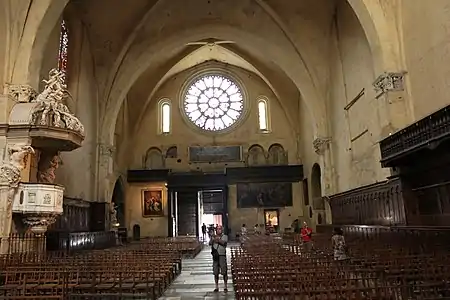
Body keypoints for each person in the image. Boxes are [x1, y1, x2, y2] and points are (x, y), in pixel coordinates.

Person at [209, 226, 228, 293]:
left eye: (220, 229)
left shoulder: (225, 236)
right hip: (215, 255)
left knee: (224, 271)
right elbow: (210, 243)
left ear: (222, 230)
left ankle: (225, 286)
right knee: (215, 272)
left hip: (222, 255)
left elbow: (223, 243)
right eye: (217, 229)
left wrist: (215, 238)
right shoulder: (213, 236)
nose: (218, 230)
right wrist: (213, 238)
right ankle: (216, 286)